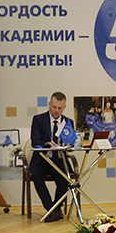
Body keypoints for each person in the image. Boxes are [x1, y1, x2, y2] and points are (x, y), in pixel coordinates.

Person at [29, 92, 74, 222]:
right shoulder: (38, 119)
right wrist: (47, 144)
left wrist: (69, 144)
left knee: (64, 180)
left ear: (64, 107)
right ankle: (51, 209)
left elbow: (72, 143)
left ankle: (55, 209)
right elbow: (35, 141)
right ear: (49, 104)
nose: (56, 110)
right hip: (42, 160)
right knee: (36, 175)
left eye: (59, 108)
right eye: (54, 107)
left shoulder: (68, 122)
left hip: (59, 159)